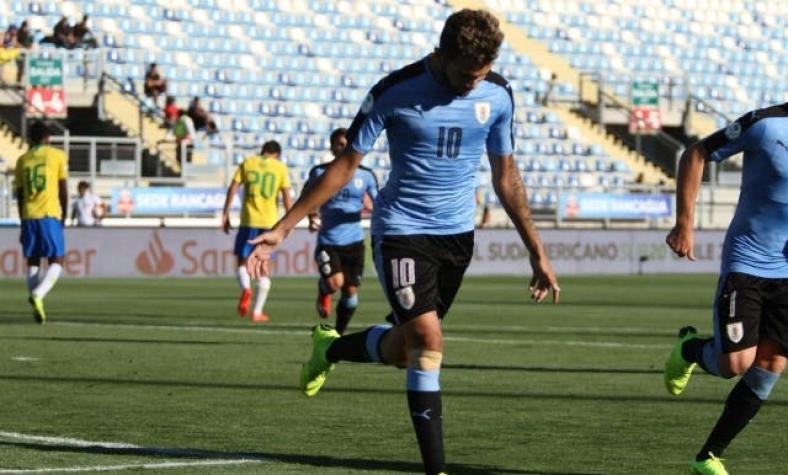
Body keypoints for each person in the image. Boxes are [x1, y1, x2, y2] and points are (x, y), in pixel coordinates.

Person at [245, 10, 560, 474]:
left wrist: (537, 250)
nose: (473, 84)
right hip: (401, 231)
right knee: (428, 341)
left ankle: (329, 349)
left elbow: (506, 175)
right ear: (442, 54)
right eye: (464, 74)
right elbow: (347, 164)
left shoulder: (498, 93)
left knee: (404, 349)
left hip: (457, 237)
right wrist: (285, 226)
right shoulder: (394, 90)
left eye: (482, 74)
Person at [664, 104, 788, 475]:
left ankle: (707, 457)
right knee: (734, 364)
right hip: (747, 263)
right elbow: (697, 152)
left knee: (770, 365)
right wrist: (685, 222)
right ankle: (689, 348)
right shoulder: (765, 125)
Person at [305, 128, 378, 334]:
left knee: (351, 295)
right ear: (332, 147)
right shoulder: (319, 172)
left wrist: (374, 208)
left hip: (355, 242)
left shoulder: (366, 175)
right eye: (338, 144)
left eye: (346, 144)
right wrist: (311, 215)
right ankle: (323, 290)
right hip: (329, 240)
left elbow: (379, 202)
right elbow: (307, 197)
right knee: (335, 283)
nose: (343, 148)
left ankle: (338, 334)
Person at [222, 140, 292, 323]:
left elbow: (233, 187)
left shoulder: (248, 162)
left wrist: (225, 213)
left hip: (248, 222)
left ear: (263, 151)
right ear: (276, 154)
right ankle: (257, 312)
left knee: (242, 263)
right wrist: (289, 223)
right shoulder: (280, 167)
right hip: (270, 223)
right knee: (263, 268)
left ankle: (246, 288)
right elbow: (286, 196)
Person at [14, 121, 68, 324]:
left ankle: (37, 304)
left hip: (28, 215)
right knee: (57, 259)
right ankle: (39, 295)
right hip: (48, 213)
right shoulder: (57, 155)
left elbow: (19, 195)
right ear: (48, 138)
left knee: (33, 259)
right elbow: (62, 189)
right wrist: (65, 215)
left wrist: (22, 221)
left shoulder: (22, 160)